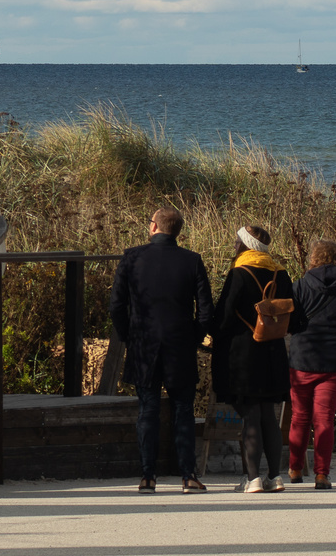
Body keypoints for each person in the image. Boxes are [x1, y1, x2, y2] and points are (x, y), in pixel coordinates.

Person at [110, 206, 214, 493]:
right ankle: (188, 474)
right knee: (183, 410)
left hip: (144, 344)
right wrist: (193, 338)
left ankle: (148, 475)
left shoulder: (132, 257)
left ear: (153, 226)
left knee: (148, 410)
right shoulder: (192, 260)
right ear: (177, 231)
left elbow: (117, 306)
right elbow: (205, 312)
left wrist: (128, 337)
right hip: (179, 343)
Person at [211, 224, 305, 493]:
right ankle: (275, 476)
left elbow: (225, 316)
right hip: (273, 352)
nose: (234, 245)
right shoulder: (280, 273)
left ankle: (252, 478)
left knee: (251, 414)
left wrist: (210, 335)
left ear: (244, 244)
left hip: (244, 353)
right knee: (268, 416)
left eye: (236, 241)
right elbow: (295, 318)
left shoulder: (239, 273)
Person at [285, 238, 336, 490]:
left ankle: (295, 469)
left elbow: (292, 323)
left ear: (314, 259)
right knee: (325, 420)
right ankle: (322, 474)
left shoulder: (299, 287)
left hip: (302, 359)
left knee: (299, 418)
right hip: (334, 361)